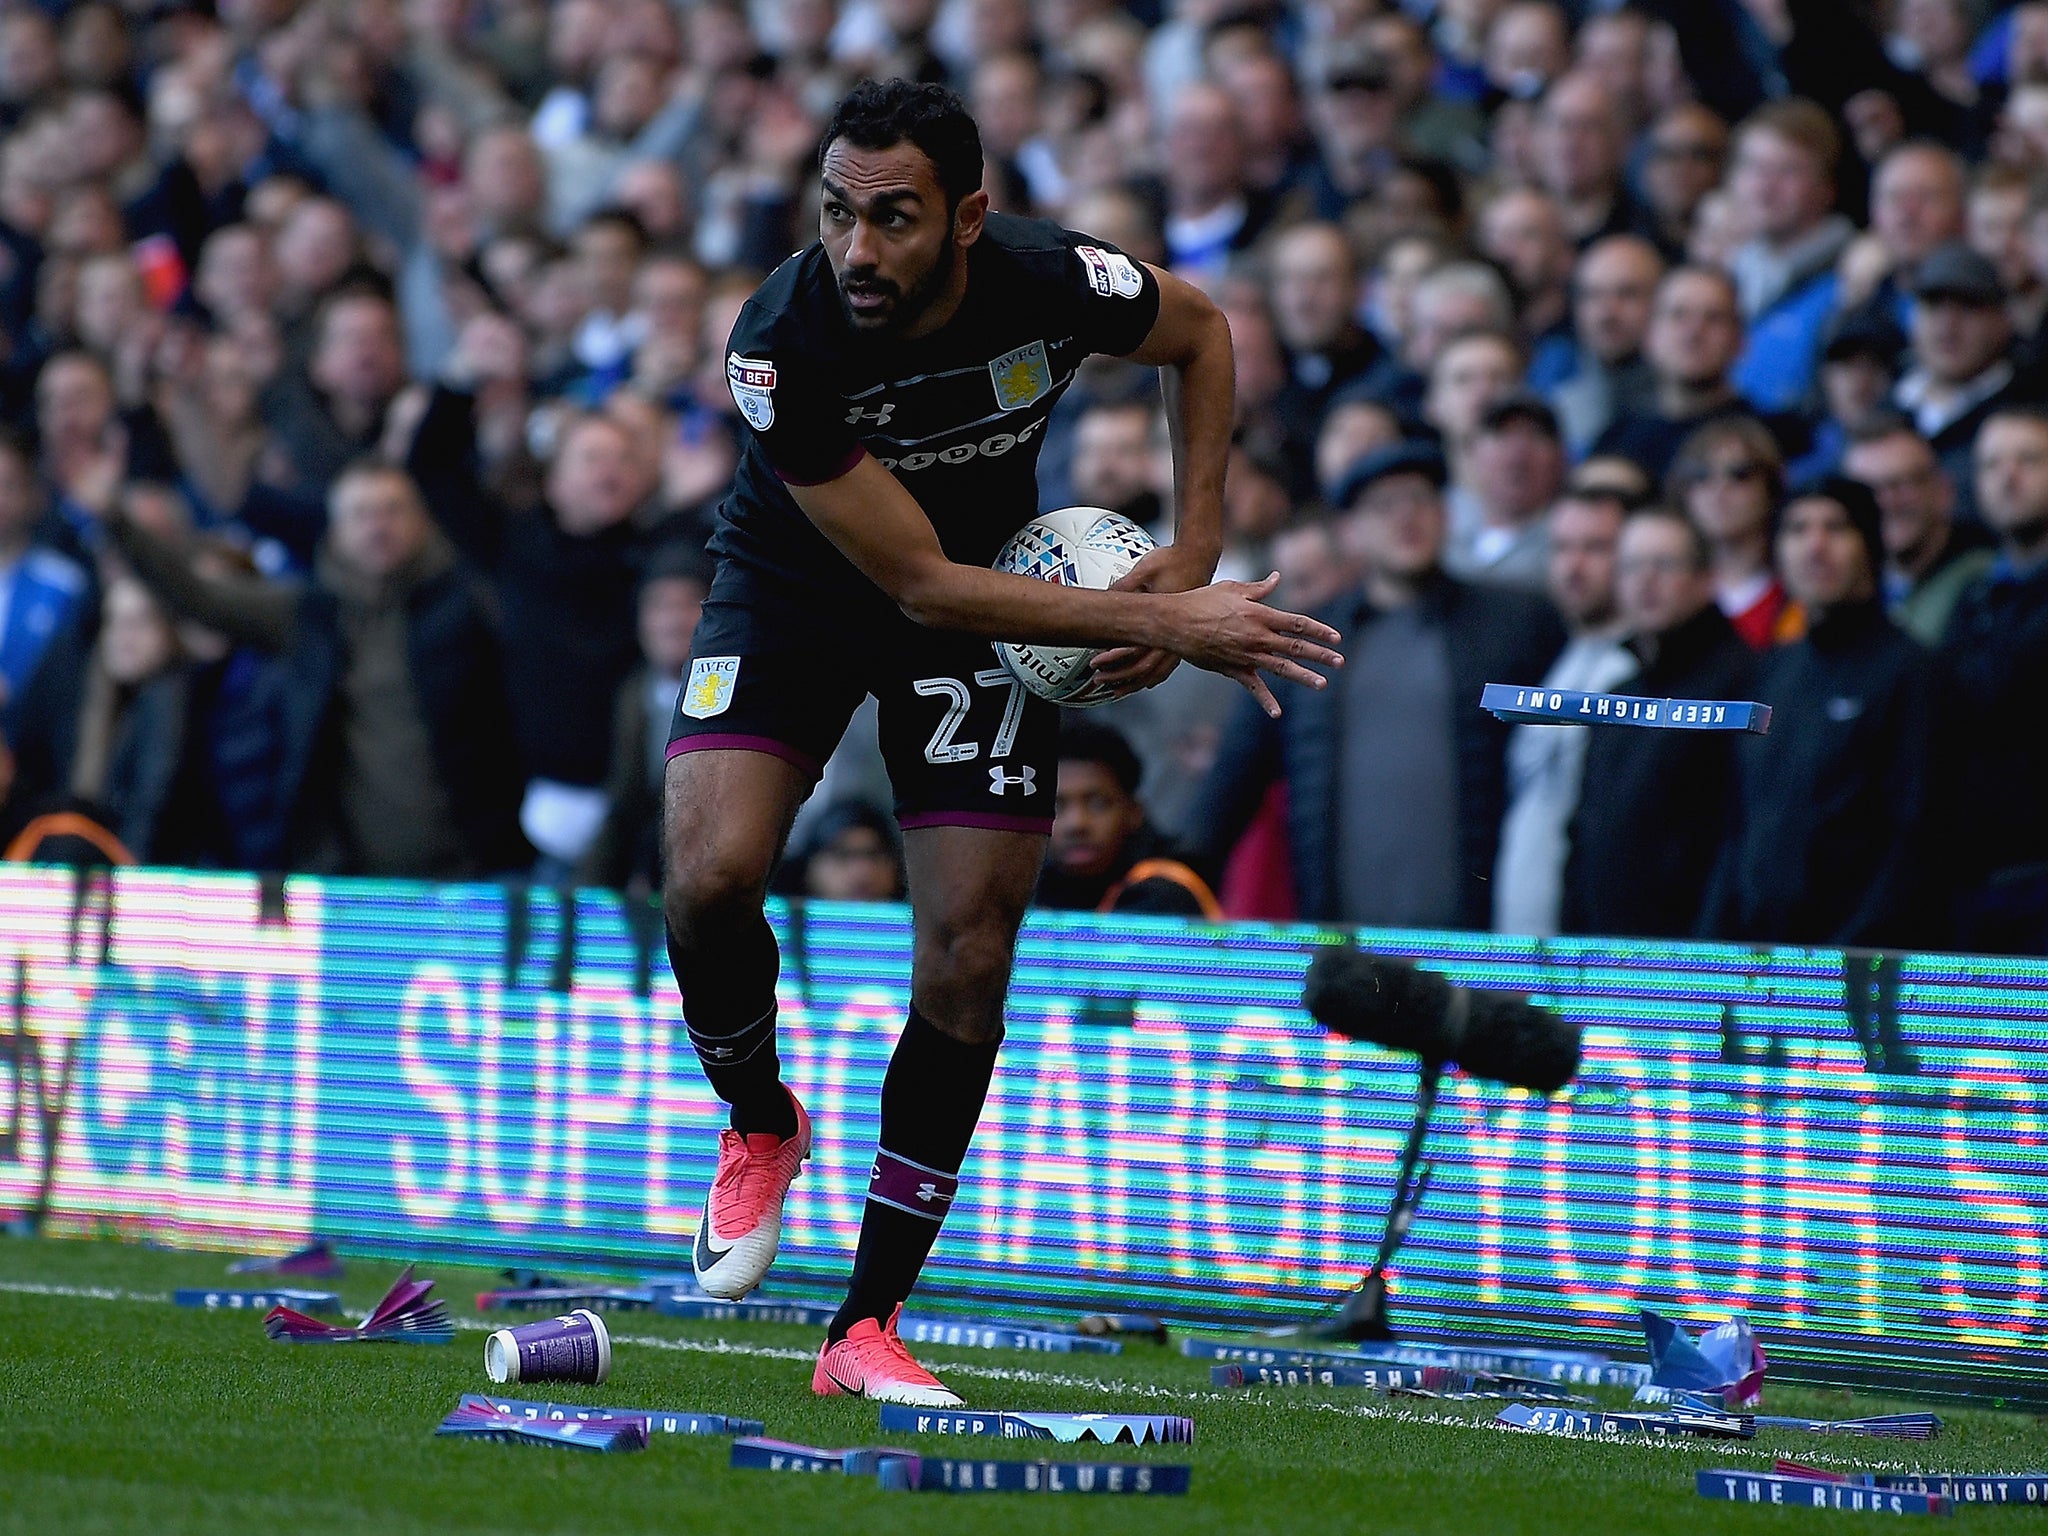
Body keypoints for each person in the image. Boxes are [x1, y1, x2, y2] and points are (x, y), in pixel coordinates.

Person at [660, 81, 1340, 1408]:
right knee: (707, 877)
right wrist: (1159, 620)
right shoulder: (781, 342)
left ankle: (865, 1328)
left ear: (968, 218)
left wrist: (1190, 555)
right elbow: (912, 580)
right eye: (838, 213)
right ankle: (759, 1119)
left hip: (987, 607)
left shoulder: (1049, 277)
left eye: (895, 219)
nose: (858, 249)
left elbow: (1201, 332)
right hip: (803, 595)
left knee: (969, 956)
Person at [1192, 440, 1561, 929]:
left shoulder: (1517, 624)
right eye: (1385, 506)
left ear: (1447, 515)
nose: (1406, 517)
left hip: (1483, 942)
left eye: (1422, 499)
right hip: (1340, 939)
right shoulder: (1307, 640)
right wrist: (1178, 872)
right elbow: (1232, 783)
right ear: (1350, 532)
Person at [1704, 479, 1943, 947]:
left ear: (1870, 546)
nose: (1815, 547)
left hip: (1862, 974)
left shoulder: (1912, 674)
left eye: (1835, 528)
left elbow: (1917, 841)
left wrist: (1847, 961)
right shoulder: (1771, 671)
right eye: (1796, 530)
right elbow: (1738, 828)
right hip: (1758, 968)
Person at [1563, 504, 1756, 938]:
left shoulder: (1744, 686)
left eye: (1664, 565)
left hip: (1692, 965)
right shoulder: (1618, 692)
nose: (1646, 581)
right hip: (1602, 958)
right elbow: (1583, 834)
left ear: (1707, 579)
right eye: (1632, 566)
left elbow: (1735, 843)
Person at [1493, 488, 1633, 936]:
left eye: (1595, 548)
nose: (1574, 567)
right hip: (1522, 936)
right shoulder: (1549, 661)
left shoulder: (1645, 676)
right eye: (1562, 548)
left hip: (1601, 949)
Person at [1942, 405, 2048, 952]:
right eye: (1991, 464)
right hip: (1975, 870)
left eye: (2028, 460)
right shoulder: (1974, 598)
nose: (2009, 477)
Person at [580, 544, 712, 894]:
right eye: (659, 606)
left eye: (687, 604)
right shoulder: (633, 695)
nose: (673, 621)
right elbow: (624, 804)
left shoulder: (737, 692)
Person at [1725, 100, 1856, 414]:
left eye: (1787, 170)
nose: (1764, 187)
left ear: (1827, 187)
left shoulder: (1852, 283)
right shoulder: (1724, 278)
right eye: (1753, 167)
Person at [1036, 721, 1219, 916]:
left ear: (1133, 811)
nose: (1077, 824)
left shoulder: (1163, 892)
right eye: (1056, 806)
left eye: (1098, 804)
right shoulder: (1033, 885)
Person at [1842, 415, 1993, 645]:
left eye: (1901, 484)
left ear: (1944, 491)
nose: (1885, 502)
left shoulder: (1988, 581)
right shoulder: (1846, 593)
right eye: (1867, 492)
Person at [1669, 416, 1802, 649]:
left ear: (1771, 486)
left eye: (1740, 474)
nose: (1719, 488)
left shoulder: (1800, 589)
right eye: (1701, 475)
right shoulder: (1671, 594)